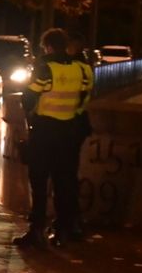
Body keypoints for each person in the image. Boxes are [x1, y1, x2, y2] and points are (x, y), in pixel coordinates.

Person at [13, 28, 91, 248]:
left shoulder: (45, 69)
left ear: (47, 47)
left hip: (44, 131)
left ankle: (37, 229)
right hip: (68, 132)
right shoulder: (81, 69)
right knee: (64, 181)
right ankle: (64, 229)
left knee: (38, 182)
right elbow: (84, 97)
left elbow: (28, 98)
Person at [60, 30, 95, 242]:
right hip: (75, 126)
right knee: (68, 175)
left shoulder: (77, 68)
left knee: (65, 176)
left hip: (69, 126)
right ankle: (71, 221)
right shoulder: (83, 67)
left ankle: (69, 221)